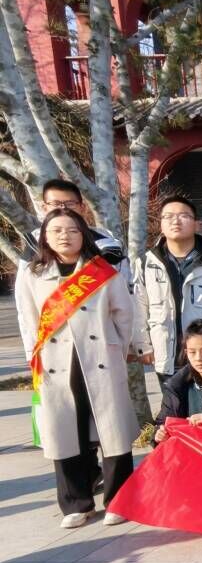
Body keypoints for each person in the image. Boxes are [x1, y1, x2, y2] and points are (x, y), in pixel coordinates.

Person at [16, 208, 137, 528]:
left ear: (84, 235)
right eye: (56, 230)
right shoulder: (33, 274)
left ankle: (119, 500)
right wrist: (33, 357)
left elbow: (124, 315)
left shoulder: (103, 271)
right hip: (56, 363)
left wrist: (116, 349)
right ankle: (76, 504)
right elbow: (28, 319)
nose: (64, 236)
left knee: (113, 432)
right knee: (65, 432)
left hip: (100, 360)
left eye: (72, 230)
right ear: (44, 237)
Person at [132, 195, 202, 385]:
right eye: (168, 216)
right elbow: (138, 307)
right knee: (172, 403)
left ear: (196, 224)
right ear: (161, 225)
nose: (175, 221)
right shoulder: (145, 265)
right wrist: (142, 345)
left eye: (183, 216)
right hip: (165, 353)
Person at [18, 178, 128, 358]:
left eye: (70, 204)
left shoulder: (107, 245)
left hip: (100, 346)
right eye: (55, 204)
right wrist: (32, 353)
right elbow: (25, 308)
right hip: (54, 346)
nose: (63, 209)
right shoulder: (33, 248)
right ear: (44, 207)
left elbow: (125, 300)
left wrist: (128, 345)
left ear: (82, 207)